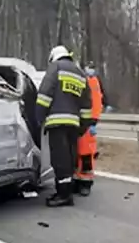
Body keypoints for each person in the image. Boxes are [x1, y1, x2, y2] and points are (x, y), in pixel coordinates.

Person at [36, 46, 93, 207]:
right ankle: (66, 191)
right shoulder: (80, 73)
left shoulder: (56, 68)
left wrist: (39, 117)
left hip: (57, 123)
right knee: (69, 158)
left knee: (59, 159)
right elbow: (87, 103)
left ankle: (64, 195)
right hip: (74, 125)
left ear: (53, 57)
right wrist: (83, 126)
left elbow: (45, 93)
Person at [73, 65, 103, 196]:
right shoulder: (79, 78)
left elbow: (96, 102)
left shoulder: (91, 80)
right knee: (74, 153)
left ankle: (85, 183)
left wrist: (93, 121)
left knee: (85, 154)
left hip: (86, 121)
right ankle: (76, 180)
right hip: (76, 120)